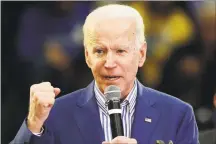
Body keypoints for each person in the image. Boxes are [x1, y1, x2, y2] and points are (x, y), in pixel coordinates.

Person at [10, 4, 199, 144]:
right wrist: (34, 123)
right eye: (100, 51)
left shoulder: (178, 115)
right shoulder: (54, 114)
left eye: (120, 51)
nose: (109, 63)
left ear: (141, 55)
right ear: (87, 56)